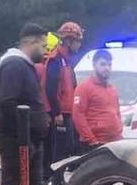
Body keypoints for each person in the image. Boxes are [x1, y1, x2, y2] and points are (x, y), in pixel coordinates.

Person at [0, 23, 67, 185]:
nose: (46, 51)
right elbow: (7, 101)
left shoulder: (25, 66)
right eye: (43, 45)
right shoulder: (13, 65)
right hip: (16, 139)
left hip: (31, 139)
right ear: (31, 42)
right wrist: (23, 136)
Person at [39, 21, 84, 168]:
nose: (79, 45)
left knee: (66, 147)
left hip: (66, 111)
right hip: (59, 113)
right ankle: (52, 178)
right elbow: (51, 87)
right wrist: (56, 112)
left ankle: (55, 178)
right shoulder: (56, 60)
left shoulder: (66, 61)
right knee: (58, 149)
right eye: (78, 41)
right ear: (69, 41)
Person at [72, 49, 123, 152]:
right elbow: (78, 115)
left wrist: (119, 133)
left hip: (114, 144)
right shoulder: (84, 88)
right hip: (94, 145)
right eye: (103, 64)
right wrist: (91, 140)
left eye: (109, 65)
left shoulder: (112, 89)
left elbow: (117, 113)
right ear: (94, 65)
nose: (107, 68)